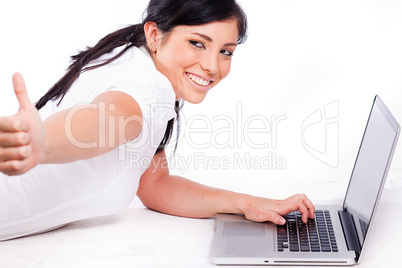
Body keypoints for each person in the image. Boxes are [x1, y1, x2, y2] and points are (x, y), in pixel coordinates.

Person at [0, 0, 315, 241]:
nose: (212, 66)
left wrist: (247, 203)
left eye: (225, 51)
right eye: (197, 43)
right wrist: (41, 142)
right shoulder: (148, 88)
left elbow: (154, 185)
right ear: (154, 34)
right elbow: (105, 121)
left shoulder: (137, 58)